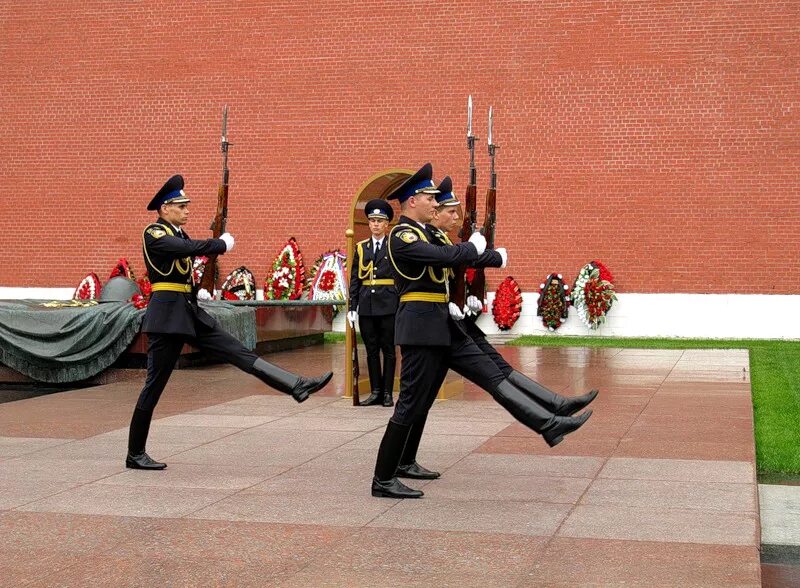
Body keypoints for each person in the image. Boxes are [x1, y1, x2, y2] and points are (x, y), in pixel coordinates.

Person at [371, 164, 590, 500]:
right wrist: (474, 249)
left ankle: (549, 420)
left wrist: (489, 257)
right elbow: (445, 257)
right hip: (420, 327)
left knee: (490, 373)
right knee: (412, 403)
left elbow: (452, 257)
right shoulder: (403, 236)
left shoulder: (425, 231)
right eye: (430, 198)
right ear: (412, 201)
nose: (436, 204)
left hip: (442, 323)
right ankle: (383, 479)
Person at [126, 174, 333, 470]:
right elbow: (184, 251)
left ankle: (294, 384)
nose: (187, 211)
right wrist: (218, 244)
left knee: (238, 352)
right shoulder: (154, 232)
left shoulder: (178, 234)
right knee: (154, 385)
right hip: (167, 318)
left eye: (187, 206)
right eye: (181, 206)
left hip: (188, 312)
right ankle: (135, 453)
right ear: (165, 208)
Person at [347, 199, 398, 407]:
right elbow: (355, 280)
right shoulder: (361, 248)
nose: (376, 224)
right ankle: (375, 391)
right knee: (371, 350)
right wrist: (352, 307)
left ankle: (387, 393)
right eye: (372, 221)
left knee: (388, 350)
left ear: (387, 225)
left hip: (388, 305)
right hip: (367, 306)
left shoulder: (393, 246)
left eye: (380, 221)